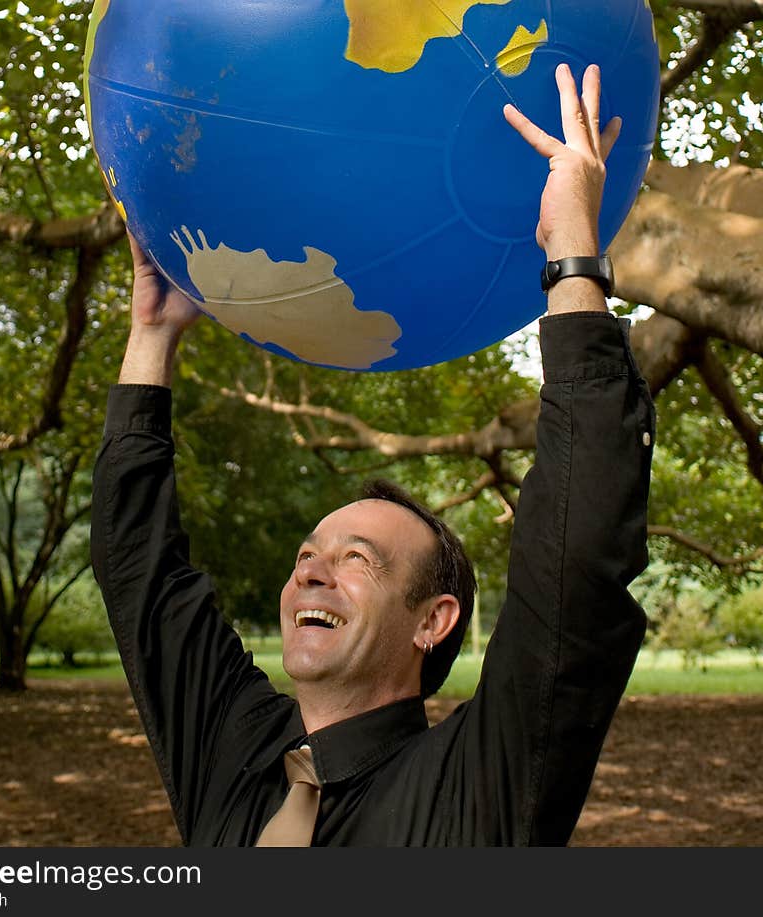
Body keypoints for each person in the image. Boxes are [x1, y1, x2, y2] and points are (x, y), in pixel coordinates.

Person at [90, 63, 654, 846]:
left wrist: (570, 249)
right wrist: (150, 335)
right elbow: (138, 570)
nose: (308, 572)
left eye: (358, 558)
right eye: (308, 553)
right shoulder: (230, 747)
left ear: (434, 620)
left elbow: (579, 556)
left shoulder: (478, 788)